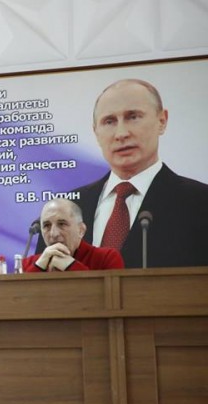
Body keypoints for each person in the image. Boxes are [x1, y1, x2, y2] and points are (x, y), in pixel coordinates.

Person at [66, 78, 208, 268]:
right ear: (96, 132)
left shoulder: (200, 203)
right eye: (109, 121)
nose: (121, 133)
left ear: (162, 121)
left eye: (133, 117)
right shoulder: (67, 208)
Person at [23, 198, 123, 272]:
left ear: (81, 230)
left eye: (62, 224)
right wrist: (39, 266)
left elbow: (110, 292)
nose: (54, 234)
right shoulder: (28, 264)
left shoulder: (107, 258)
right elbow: (19, 294)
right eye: (46, 226)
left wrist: (70, 265)